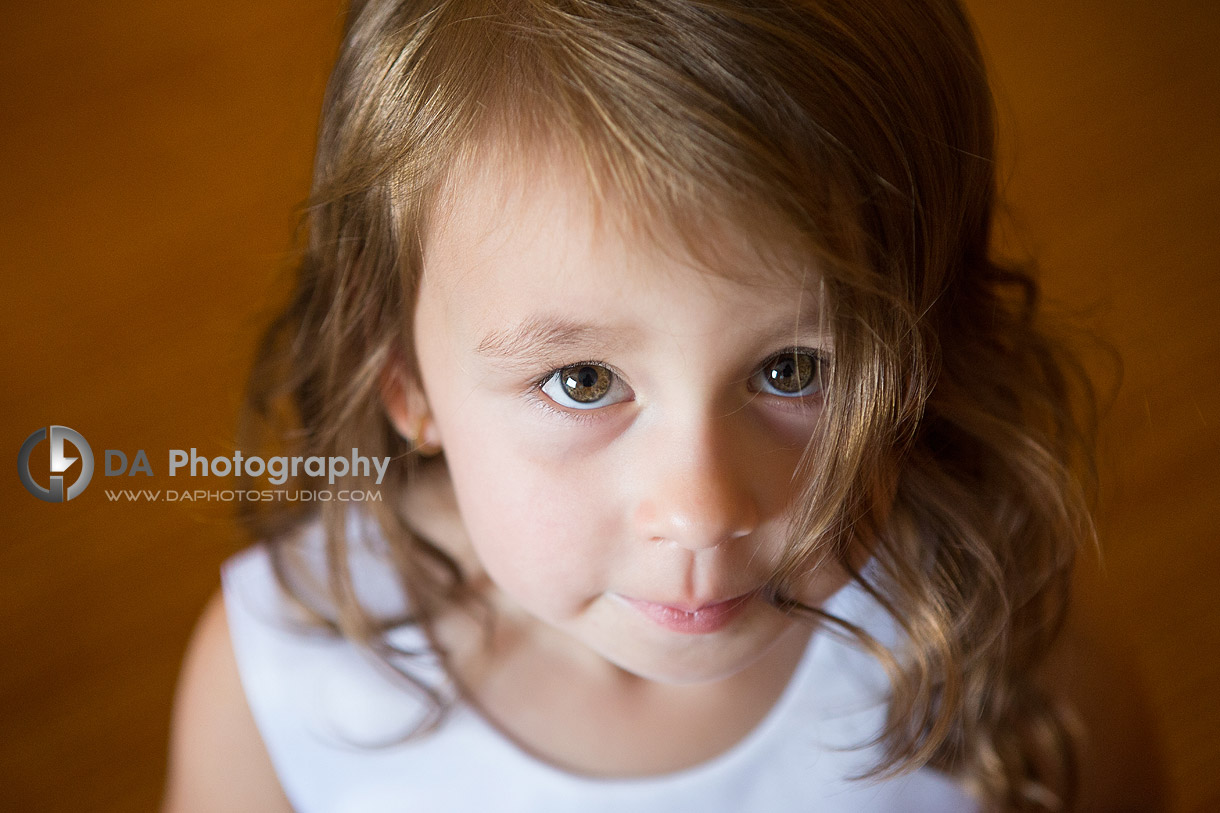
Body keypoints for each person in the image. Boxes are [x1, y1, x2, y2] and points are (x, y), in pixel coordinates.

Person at [162, 1, 1165, 810]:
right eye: (582, 382)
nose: (700, 509)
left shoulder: (1001, 635)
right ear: (402, 379)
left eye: (792, 370)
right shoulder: (277, 688)